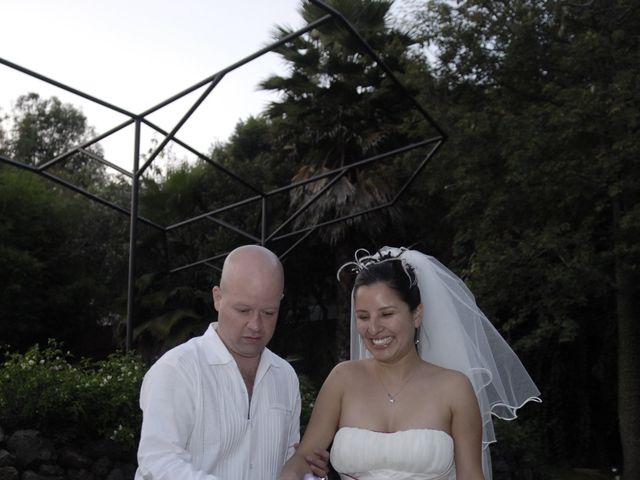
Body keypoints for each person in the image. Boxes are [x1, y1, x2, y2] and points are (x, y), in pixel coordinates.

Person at [279, 247, 541, 480]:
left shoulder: (454, 387)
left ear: (416, 314)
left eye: (387, 314)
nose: (373, 328)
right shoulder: (343, 379)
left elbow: (471, 474)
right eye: (363, 316)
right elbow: (303, 459)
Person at [135, 245, 329, 480]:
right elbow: (158, 463)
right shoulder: (177, 370)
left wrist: (307, 469)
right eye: (243, 310)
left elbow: (288, 460)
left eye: (268, 312)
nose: (256, 325)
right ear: (218, 298)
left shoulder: (285, 376)